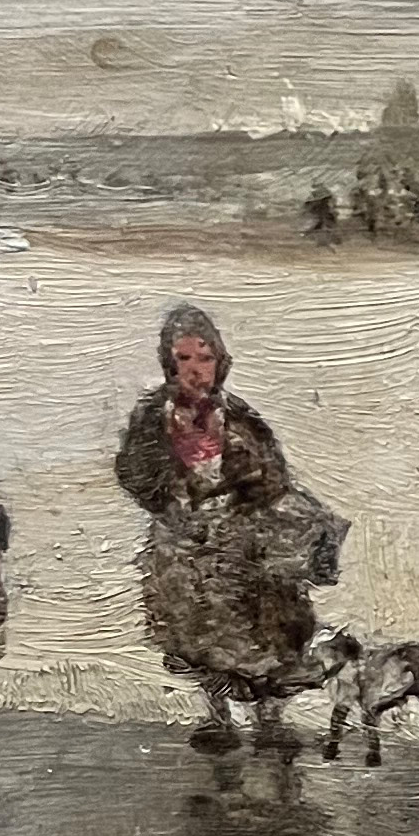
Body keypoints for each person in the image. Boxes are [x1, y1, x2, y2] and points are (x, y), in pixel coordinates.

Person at [114, 302, 345, 756]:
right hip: (184, 538)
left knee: (267, 626)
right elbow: (131, 469)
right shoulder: (153, 416)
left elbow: (274, 473)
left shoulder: (238, 417)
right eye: (184, 359)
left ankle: (269, 718)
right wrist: (169, 500)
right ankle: (217, 716)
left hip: (243, 536)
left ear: (219, 362)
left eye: (205, 358)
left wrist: (250, 491)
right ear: (168, 363)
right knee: (198, 628)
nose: (195, 370)